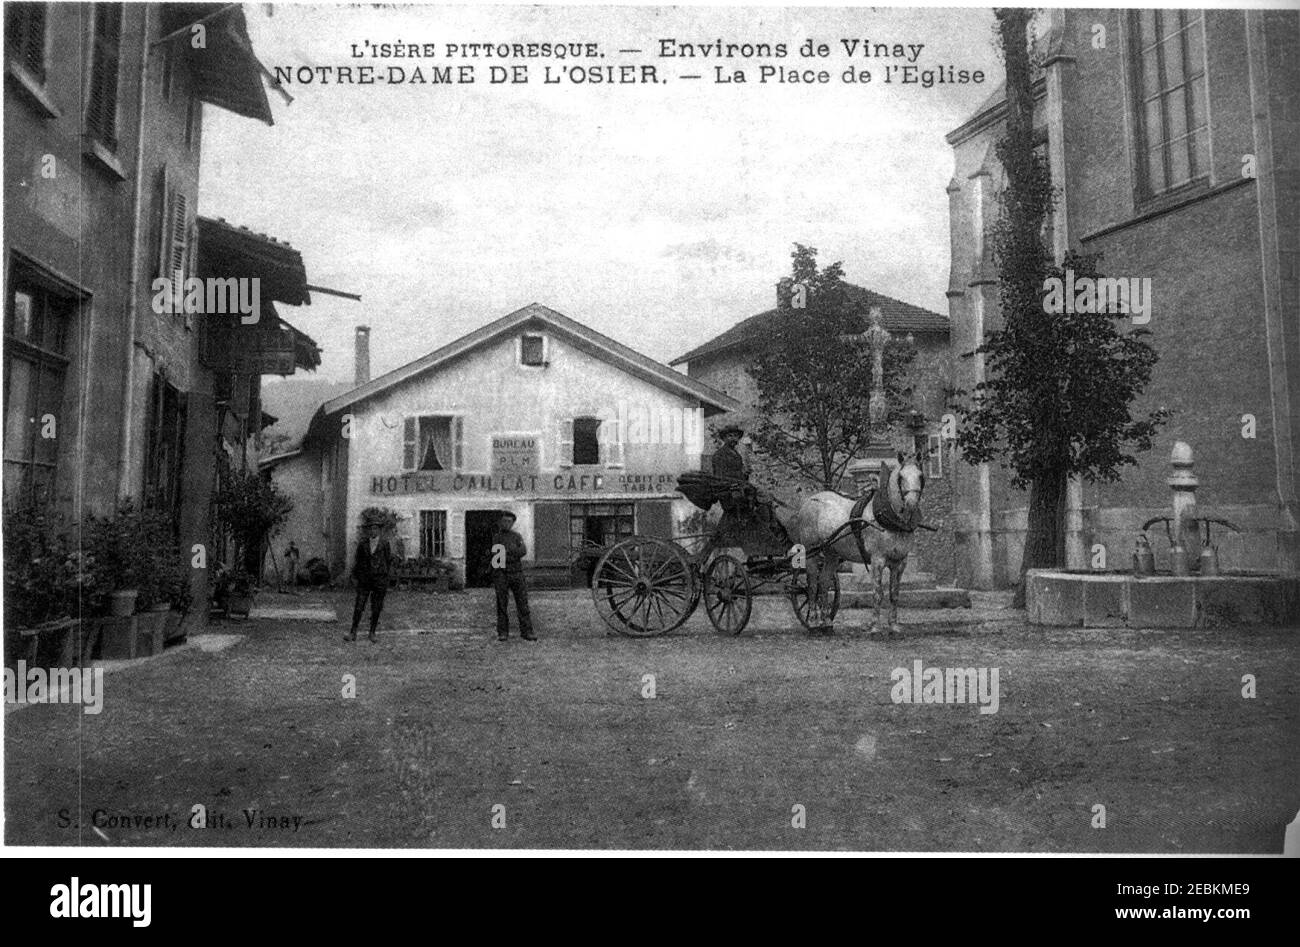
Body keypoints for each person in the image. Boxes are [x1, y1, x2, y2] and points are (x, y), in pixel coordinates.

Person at [490, 510, 534, 641]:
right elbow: (497, 557)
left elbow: (523, 551)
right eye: (504, 521)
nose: (507, 524)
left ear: (513, 523)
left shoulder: (517, 536)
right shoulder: (496, 537)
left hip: (517, 574)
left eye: (509, 521)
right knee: (502, 605)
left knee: (523, 604)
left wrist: (508, 551)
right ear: (500, 522)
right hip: (501, 574)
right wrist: (513, 552)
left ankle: (527, 632)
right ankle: (503, 632)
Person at [346, 520, 391, 642]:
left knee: (376, 607)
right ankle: (353, 632)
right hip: (365, 579)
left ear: (379, 530)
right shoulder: (363, 544)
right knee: (359, 606)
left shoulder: (385, 544)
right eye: (371, 529)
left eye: (375, 528)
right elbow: (358, 561)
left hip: (379, 579)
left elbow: (388, 561)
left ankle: (372, 632)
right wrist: (355, 576)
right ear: (368, 531)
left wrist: (385, 578)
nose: (373, 531)